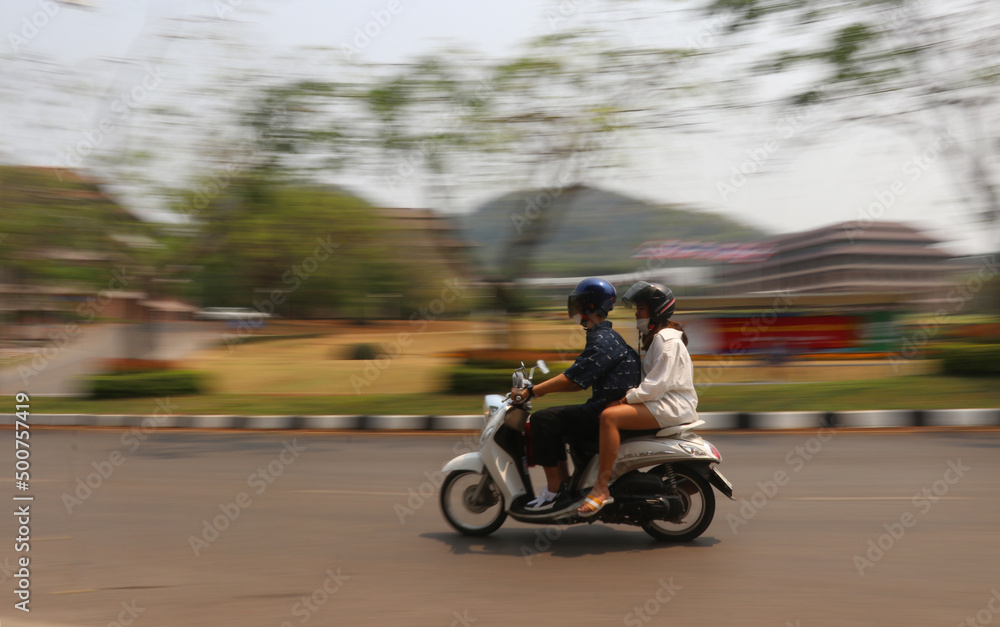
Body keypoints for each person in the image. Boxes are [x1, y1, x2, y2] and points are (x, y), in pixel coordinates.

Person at [511, 278, 640, 510]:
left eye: (579, 303)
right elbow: (580, 381)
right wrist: (539, 392)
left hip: (602, 411)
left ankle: (553, 490)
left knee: (542, 420)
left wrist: (530, 391)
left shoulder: (602, 340)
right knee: (554, 419)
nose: (575, 308)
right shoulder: (606, 336)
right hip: (604, 406)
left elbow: (572, 378)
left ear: (590, 306)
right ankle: (565, 485)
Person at [576, 281, 697, 517]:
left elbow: (655, 386)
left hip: (670, 406)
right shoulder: (658, 338)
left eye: (641, 308)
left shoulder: (666, 340)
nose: (636, 313)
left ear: (656, 311)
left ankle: (601, 488)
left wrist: (624, 401)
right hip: (663, 403)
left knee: (609, 417)